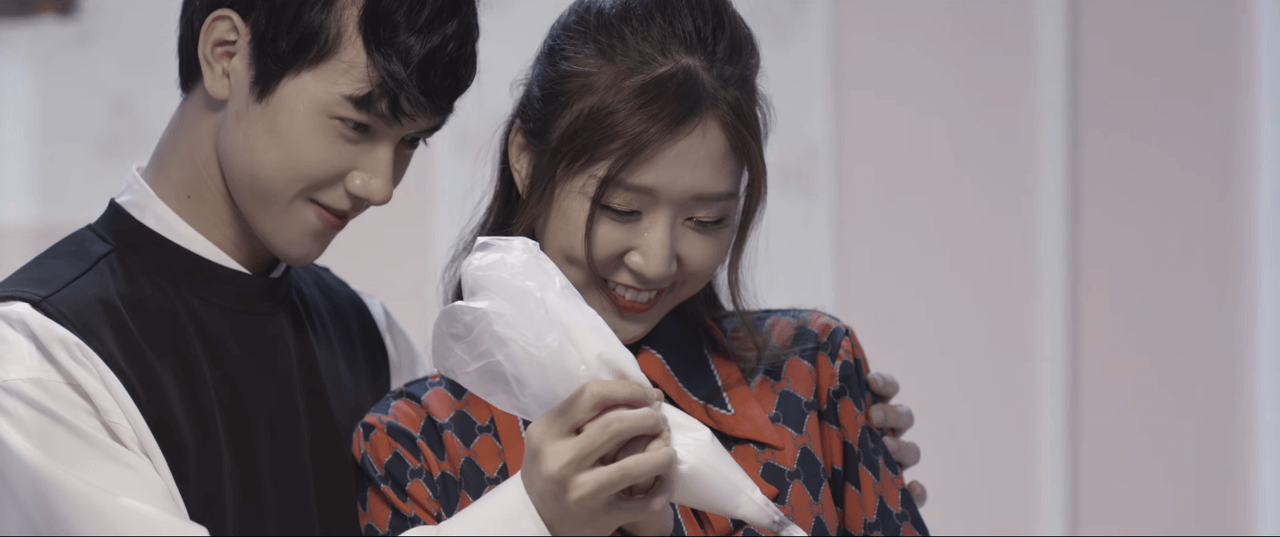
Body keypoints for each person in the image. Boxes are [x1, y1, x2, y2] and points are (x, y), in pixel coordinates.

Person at [352, 0, 929, 535]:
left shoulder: (811, 373)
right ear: (527, 160)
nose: (655, 261)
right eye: (622, 209)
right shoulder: (416, 443)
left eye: (705, 220)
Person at [0, 0, 479, 533]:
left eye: (411, 140)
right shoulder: (39, 354)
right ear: (226, 55)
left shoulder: (371, 336)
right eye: (356, 124)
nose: (380, 186)